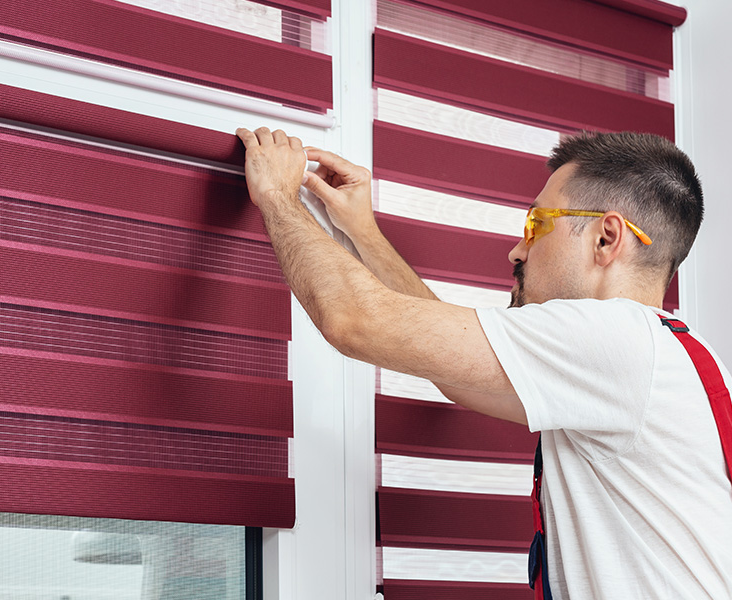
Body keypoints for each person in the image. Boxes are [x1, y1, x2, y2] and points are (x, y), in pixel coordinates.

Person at [235, 126, 732, 599]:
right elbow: (455, 374)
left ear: (606, 238)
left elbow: (353, 321)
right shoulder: (665, 353)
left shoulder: (613, 340)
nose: (517, 250)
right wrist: (363, 233)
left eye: (536, 224)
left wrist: (277, 195)